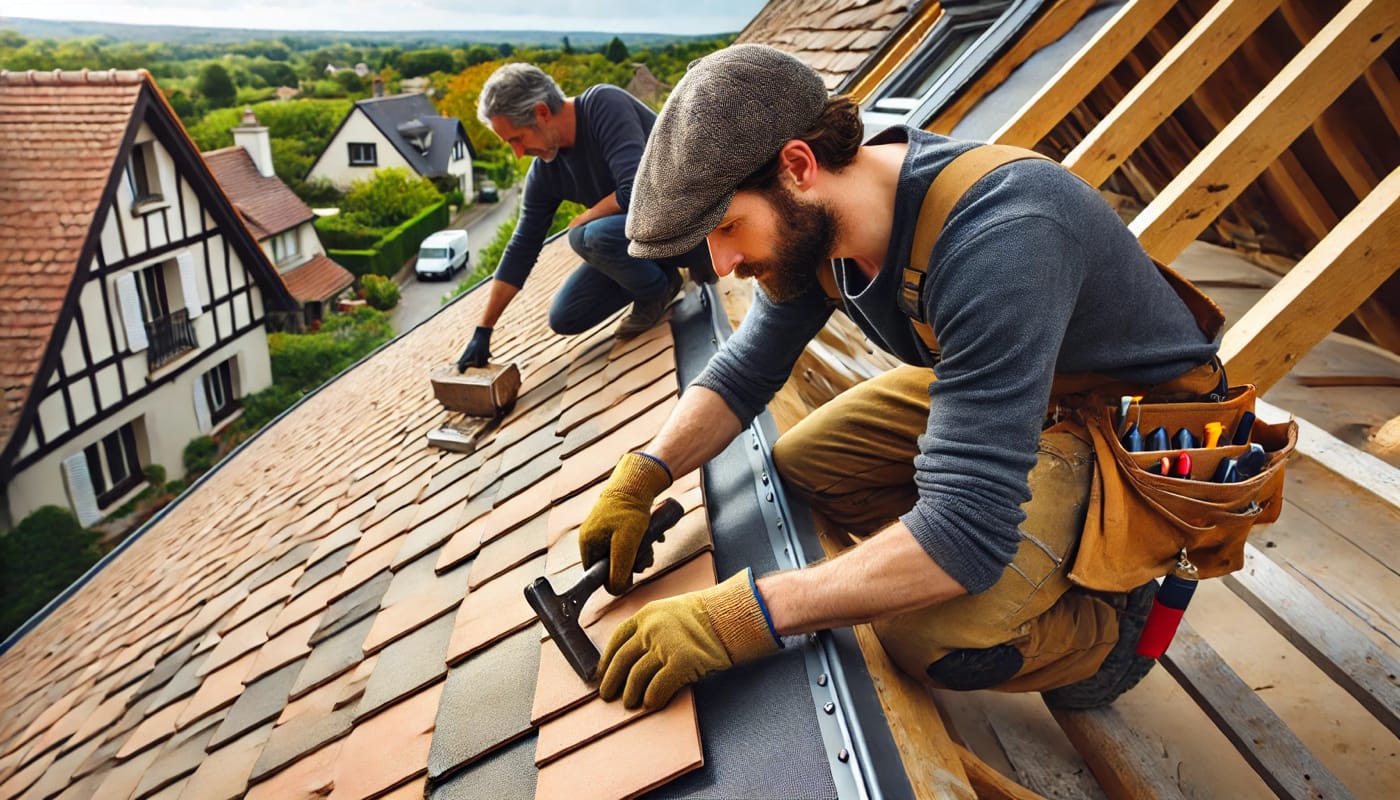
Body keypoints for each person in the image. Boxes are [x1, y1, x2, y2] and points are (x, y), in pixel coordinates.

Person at [577, 44, 1225, 713]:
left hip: (1130, 429)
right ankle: (988, 544)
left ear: (798, 166)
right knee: (805, 466)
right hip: (1019, 389)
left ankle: (1107, 635)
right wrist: (644, 473)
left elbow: (963, 535)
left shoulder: (1002, 236)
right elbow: (745, 370)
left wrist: (734, 618)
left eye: (729, 227)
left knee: (921, 635)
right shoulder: (821, 224)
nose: (723, 263)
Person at [456, 64, 713, 370]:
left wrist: (587, 216)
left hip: (695, 228)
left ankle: (655, 293)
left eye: (517, 139)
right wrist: (483, 330)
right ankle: (664, 279)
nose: (518, 153)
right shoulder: (546, 171)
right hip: (648, 242)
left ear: (541, 113)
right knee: (566, 316)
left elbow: (637, 190)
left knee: (587, 235)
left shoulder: (604, 105)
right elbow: (521, 247)